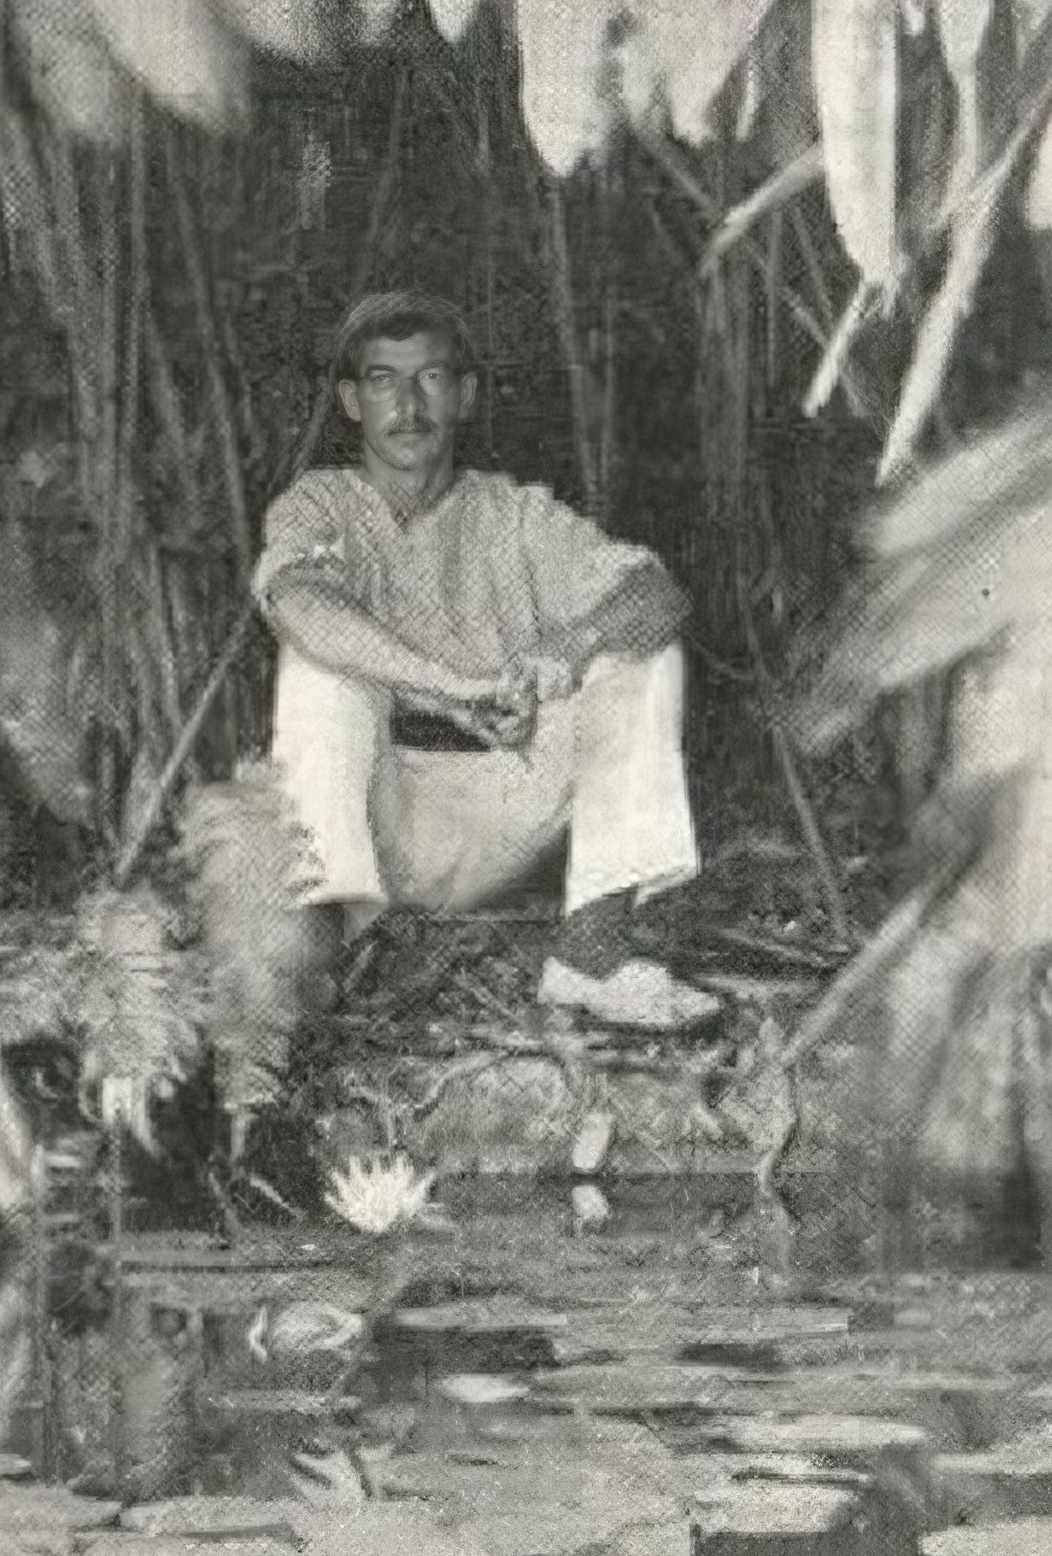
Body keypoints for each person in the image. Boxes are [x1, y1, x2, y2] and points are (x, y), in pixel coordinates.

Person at [256, 288, 721, 1033]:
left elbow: (655, 592)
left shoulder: (515, 514)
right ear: (350, 400)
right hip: (379, 819)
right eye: (382, 381)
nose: (408, 405)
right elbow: (299, 602)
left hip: (504, 804)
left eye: (431, 378)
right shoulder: (322, 504)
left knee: (638, 655)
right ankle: (316, 949)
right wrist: (445, 687)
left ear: (466, 394)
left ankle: (591, 952)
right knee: (316, 665)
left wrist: (572, 643)